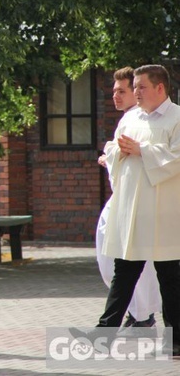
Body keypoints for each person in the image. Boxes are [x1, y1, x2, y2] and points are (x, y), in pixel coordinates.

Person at [90, 64, 180, 355]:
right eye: (135, 87)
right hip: (133, 213)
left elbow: (176, 159)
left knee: (170, 280)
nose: (136, 92)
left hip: (164, 214)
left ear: (160, 88)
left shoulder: (177, 118)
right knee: (124, 275)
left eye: (141, 87)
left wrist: (142, 150)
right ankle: (104, 333)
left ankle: (177, 339)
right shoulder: (130, 119)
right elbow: (115, 151)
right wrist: (116, 152)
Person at [95, 67, 160, 328]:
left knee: (132, 265)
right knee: (120, 263)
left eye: (123, 90)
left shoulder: (145, 119)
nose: (117, 96)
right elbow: (117, 152)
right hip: (123, 199)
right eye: (114, 91)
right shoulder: (129, 119)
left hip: (138, 203)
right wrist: (111, 156)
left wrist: (115, 155)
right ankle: (138, 313)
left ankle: (141, 315)